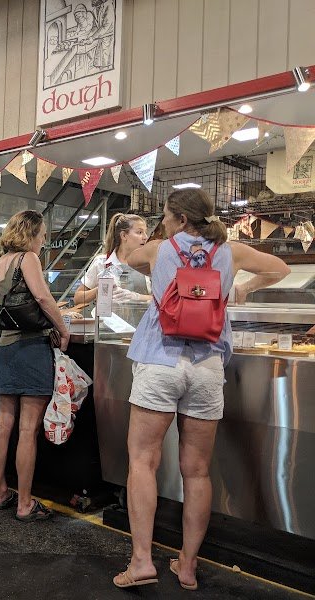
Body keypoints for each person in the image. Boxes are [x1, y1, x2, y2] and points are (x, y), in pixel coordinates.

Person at [112, 189, 290, 590]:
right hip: (207, 367)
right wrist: (243, 288)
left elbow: (126, 257)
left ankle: (141, 561)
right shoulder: (232, 251)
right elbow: (279, 268)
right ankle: (188, 566)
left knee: (143, 461)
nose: (162, 221)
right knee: (196, 471)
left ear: (178, 218)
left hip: (160, 360)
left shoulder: (158, 249)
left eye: (165, 215)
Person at [0, 210, 70, 520]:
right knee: (27, 428)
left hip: (6, 347)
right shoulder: (29, 258)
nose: (44, 240)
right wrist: (63, 329)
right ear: (31, 233)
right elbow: (43, 298)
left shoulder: (1, 262)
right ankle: (24, 504)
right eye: (43, 234)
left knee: (3, 421)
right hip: (32, 346)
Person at [74, 213, 151, 307]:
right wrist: (101, 289)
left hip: (142, 316)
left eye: (145, 232)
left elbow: (160, 299)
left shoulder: (148, 263)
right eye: (139, 232)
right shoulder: (101, 262)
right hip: (108, 317)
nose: (145, 237)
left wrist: (137, 297)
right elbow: (78, 298)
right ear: (124, 235)